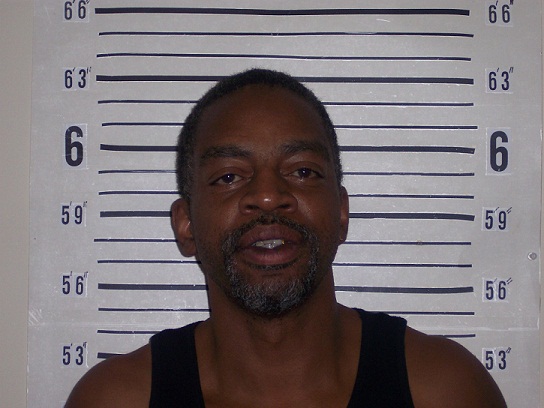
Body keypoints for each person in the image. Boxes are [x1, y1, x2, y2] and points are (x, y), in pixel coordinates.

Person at [66, 68, 506, 407]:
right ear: (186, 226)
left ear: (341, 212)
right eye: (228, 176)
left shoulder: (444, 390)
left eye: (303, 171)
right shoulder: (116, 399)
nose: (268, 196)